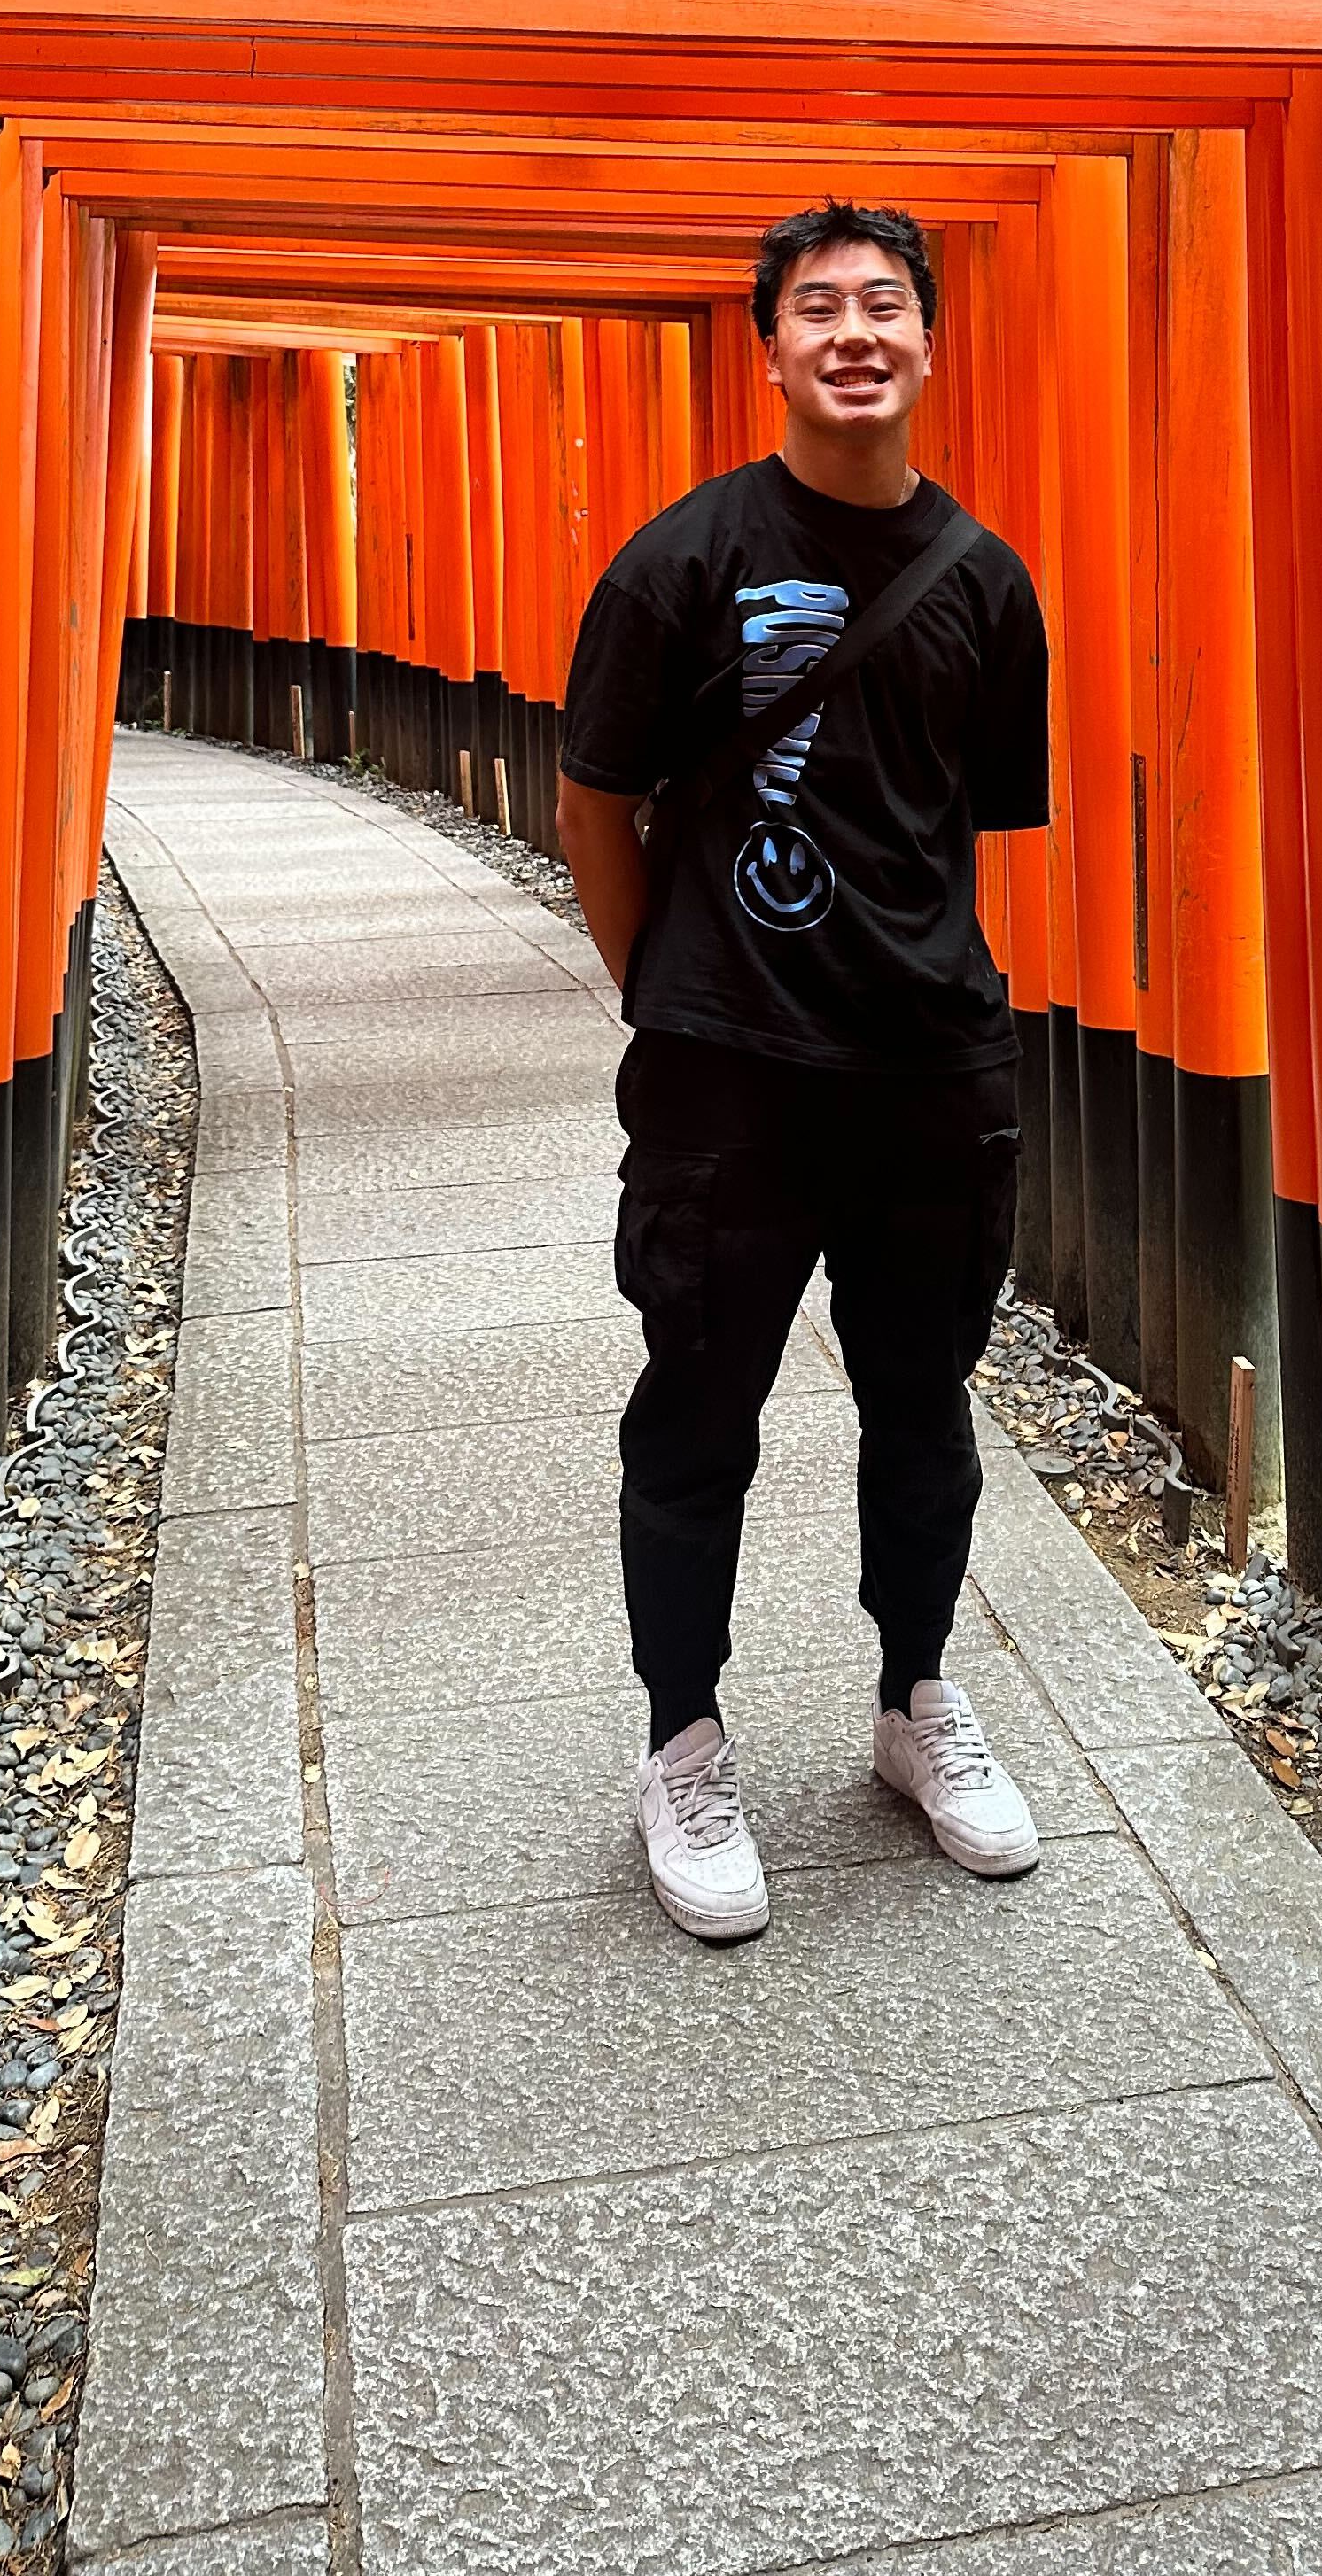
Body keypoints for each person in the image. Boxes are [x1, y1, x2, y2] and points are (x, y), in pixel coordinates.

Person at [556, 201, 1052, 1943]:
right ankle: (682, 1744)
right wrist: (673, 996)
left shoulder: (984, 583)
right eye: (819, 308)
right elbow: (595, 801)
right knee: (698, 1420)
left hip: (930, 1071)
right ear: (768, 351)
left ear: (927, 347)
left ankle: (917, 1703)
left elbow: (965, 820)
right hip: (729, 1084)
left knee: (924, 1414)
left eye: (885, 307)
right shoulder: (680, 562)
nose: (854, 332)